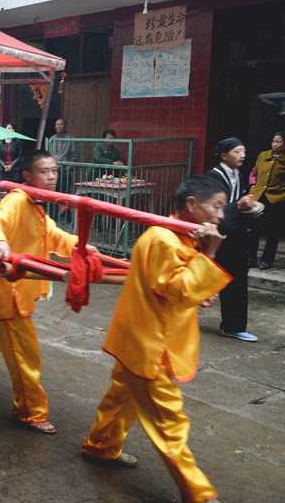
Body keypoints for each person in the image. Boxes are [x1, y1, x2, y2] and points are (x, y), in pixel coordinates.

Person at [80, 177, 230, 503]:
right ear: (191, 204)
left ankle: (100, 446)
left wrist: (201, 281)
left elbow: (174, 288)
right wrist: (210, 253)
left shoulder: (173, 235)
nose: (220, 215)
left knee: (122, 400)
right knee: (171, 424)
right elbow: (181, 289)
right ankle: (199, 494)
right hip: (152, 345)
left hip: (138, 336)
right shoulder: (165, 239)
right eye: (216, 206)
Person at [0, 150, 80, 433]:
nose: (51, 177)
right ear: (27, 176)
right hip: (9, 294)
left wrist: (80, 247)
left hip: (18, 292)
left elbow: (54, 236)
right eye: (44, 171)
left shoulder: (36, 204)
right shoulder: (17, 200)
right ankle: (30, 411)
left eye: (54, 171)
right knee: (25, 356)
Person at [204, 137, 257, 342]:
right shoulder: (213, 176)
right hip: (215, 236)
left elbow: (236, 204)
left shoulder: (239, 175)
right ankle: (178, 313)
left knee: (237, 278)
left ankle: (233, 326)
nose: (242, 155)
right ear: (224, 155)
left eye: (243, 151)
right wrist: (238, 207)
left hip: (235, 235)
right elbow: (210, 208)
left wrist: (248, 211)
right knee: (202, 275)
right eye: (237, 151)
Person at [247, 131, 285, 270]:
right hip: (259, 197)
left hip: (277, 199)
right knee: (253, 229)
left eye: (278, 142)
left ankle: (267, 260)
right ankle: (250, 258)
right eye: (273, 141)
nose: (275, 144)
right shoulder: (263, 155)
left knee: (273, 231)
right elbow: (254, 172)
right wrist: (253, 185)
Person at [48, 118, 77, 219]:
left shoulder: (71, 139)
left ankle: (66, 216)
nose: (58, 127)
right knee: (52, 193)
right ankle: (53, 215)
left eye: (61, 125)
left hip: (64, 170)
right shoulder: (51, 139)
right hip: (53, 171)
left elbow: (74, 157)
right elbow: (49, 155)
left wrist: (68, 168)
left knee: (64, 194)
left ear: (65, 126)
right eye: (57, 125)